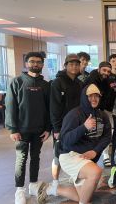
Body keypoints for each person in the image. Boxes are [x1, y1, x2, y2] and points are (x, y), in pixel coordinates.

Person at [42, 84, 111, 204]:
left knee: (83, 195)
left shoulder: (103, 115)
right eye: (90, 96)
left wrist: (95, 151)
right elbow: (65, 140)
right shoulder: (74, 114)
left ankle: (53, 189)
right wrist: (84, 127)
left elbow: (107, 137)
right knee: (96, 172)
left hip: (86, 158)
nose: (94, 99)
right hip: (69, 155)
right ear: (84, 97)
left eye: (96, 96)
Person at [5, 52, 51, 204]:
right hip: (22, 130)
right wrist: (13, 129)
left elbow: (49, 108)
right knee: (21, 159)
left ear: (43, 65)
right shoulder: (17, 82)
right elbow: (10, 106)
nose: (35, 64)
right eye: (32, 61)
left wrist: (48, 129)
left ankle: (33, 184)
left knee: (36, 157)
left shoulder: (46, 85)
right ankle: (20, 190)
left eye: (39, 62)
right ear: (26, 64)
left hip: (39, 129)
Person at [49, 53, 83, 193]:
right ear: (66, 66)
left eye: (76, 64)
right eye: (71, 64)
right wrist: (56, 129)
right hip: (61, 126)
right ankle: (55, 182)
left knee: (74, 152)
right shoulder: (57, 83)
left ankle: (73, 177)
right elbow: (54, 107)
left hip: (76, 124)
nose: (74, 66)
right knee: (58, 155)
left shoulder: (79, 83)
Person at [101, 54, 116, 167]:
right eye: (113, 61)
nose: (115, 63)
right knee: (107, 132)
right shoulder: (106, 77)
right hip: (107, 109)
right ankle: (105, 155)